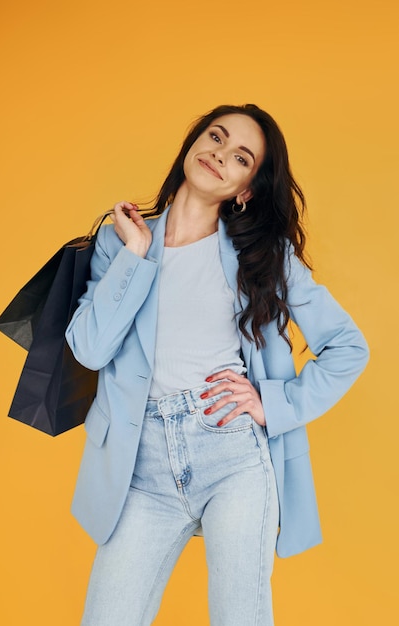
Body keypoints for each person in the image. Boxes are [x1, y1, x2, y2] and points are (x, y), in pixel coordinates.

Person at [65, 104, 369, 625]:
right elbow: (89, 349)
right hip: (140, 467)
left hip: (231, 455)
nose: (219, 155)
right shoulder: (122, 239)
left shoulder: (263, 256)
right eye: (215, 136)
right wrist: (136, 256)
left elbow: (348, 347)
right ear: (193, 142)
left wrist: (273, 403)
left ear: (245, 189)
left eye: (240, 157)